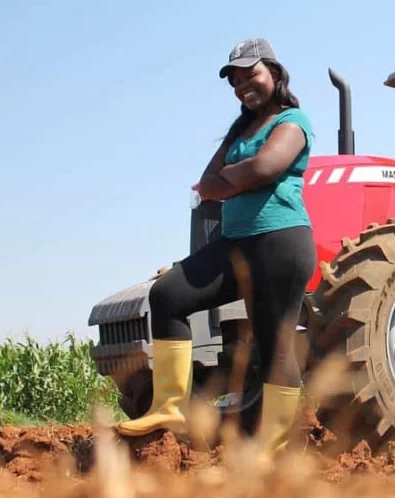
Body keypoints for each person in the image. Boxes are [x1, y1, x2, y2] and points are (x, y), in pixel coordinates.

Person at [114, 38, 317, 465]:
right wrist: (237, 177)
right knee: (169, 294)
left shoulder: (294, 121)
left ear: (275, 75)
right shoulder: (239, 131)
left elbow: (266, 167)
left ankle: (274, 447)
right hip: (235, 243)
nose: (244, 85)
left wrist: (233, 177)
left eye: (252, 74)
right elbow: (206, 184)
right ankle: (169, 407)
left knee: (273, 345)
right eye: (236, 80)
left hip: (281, 242)